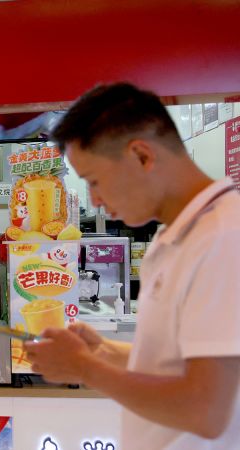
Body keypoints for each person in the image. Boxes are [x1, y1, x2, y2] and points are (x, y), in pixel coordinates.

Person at [23, 82, 240, 449]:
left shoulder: (223, 236)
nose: (94, 198)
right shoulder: (171, 237)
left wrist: (85, 368)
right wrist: (102, 352)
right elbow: (171, 367)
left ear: (141, 156)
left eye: (94, 180)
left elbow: (205, 410)